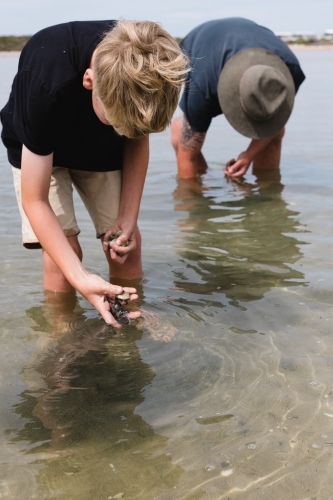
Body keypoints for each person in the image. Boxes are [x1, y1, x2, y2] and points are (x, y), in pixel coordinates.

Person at [0, 19, 187, 326]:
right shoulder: (46, 80)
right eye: (118, 124)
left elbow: (137, 138)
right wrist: (82, 277)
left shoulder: (144, 69)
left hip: (100, 150)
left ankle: (130, 323)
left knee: (125, 244)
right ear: (89, 80)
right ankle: (62, 334)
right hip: (38, 147)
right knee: (64, 255)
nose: (126, 131)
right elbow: (35, 201)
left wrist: (128, 217)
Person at [171, 18, 305, 179]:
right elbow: (187, 155)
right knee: (181, 141)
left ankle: (267, 196)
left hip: (247, 47)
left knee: (275, 134)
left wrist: (248, 155)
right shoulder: (204, 87)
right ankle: (203, 182)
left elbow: (277, 120)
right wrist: (192, 200)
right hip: (198, 51)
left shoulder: (290, 71)